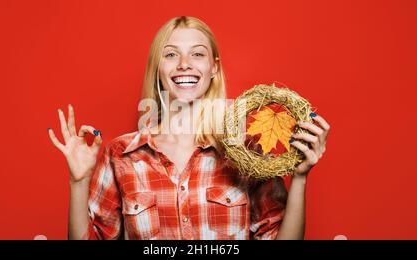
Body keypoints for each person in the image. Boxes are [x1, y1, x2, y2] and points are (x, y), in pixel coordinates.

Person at [48, 16, 330, 240]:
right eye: (171, 55)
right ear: (157, 67)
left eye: (197, 54)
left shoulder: (247, 152)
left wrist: (301, 178)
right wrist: (78, 182)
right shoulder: (122, 154)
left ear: (213, 68)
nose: (184, 65)